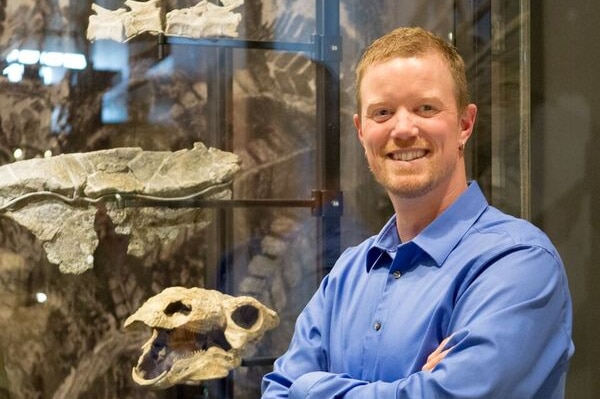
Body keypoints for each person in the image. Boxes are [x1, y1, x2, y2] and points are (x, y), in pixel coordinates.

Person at [261, 26, 574, 398]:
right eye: (383, 112)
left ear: (464, 124)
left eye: (425, 108)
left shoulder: (519, 263)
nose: (404, 129)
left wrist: (310, 388)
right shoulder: (346, 274)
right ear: (362, 133)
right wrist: (409, 388)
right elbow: (277, 391)